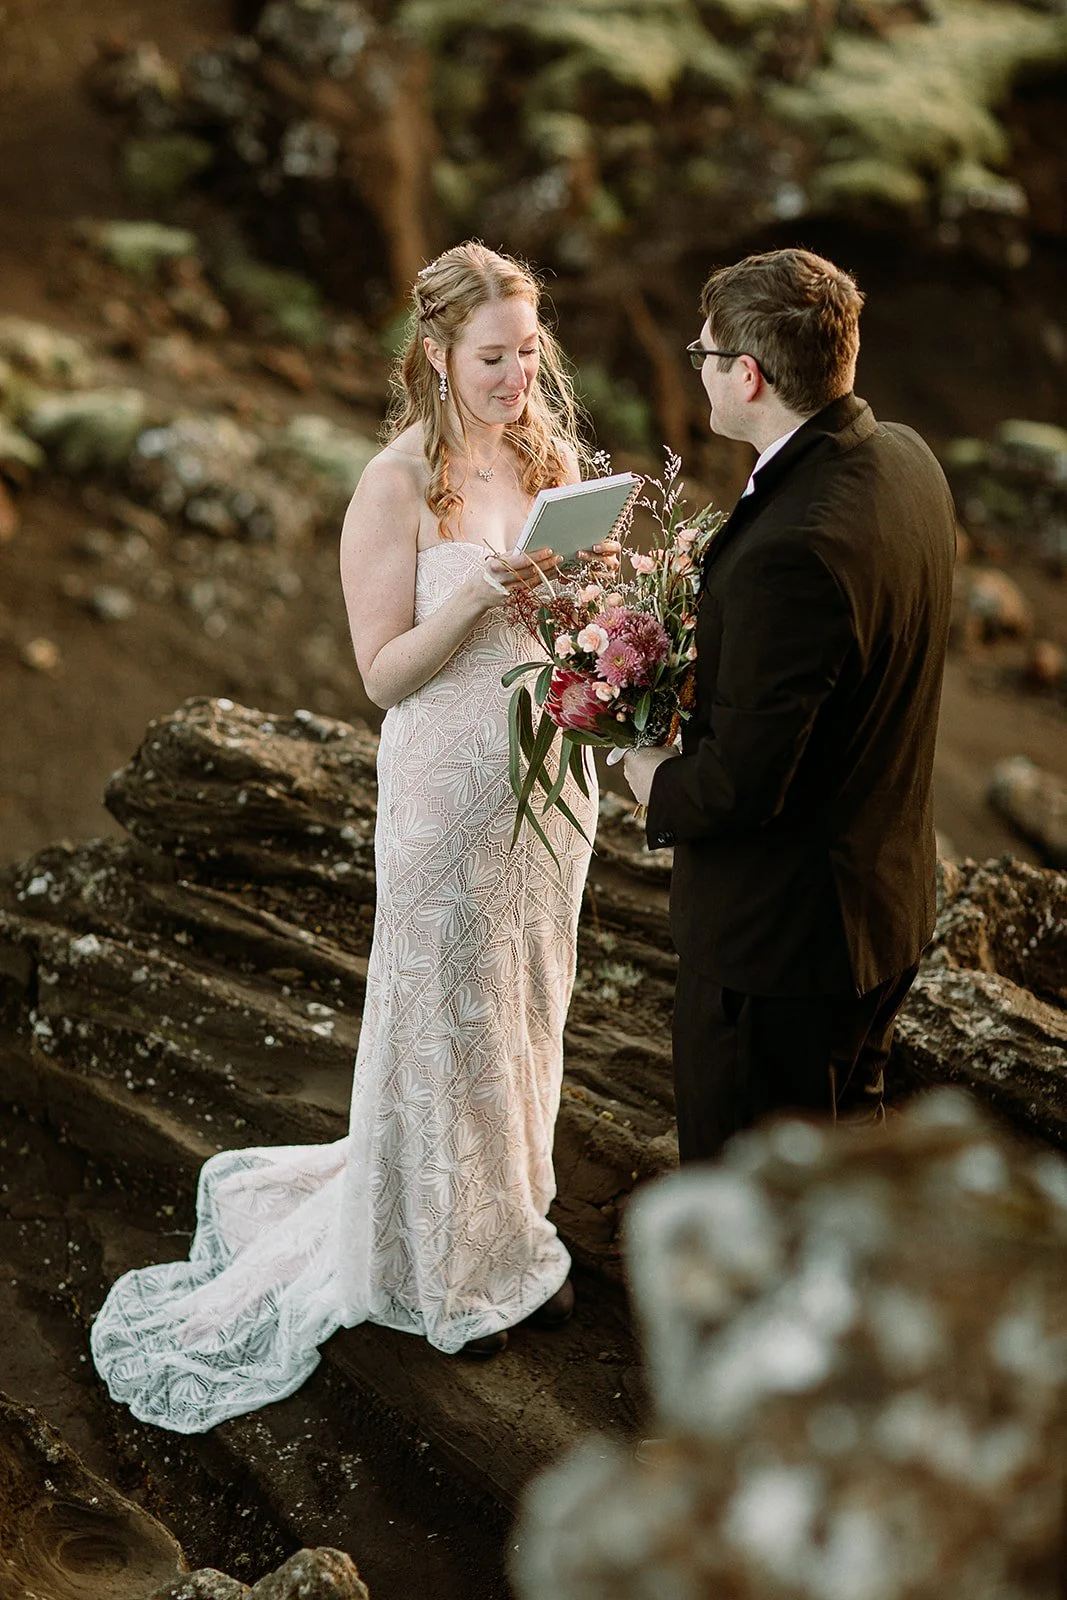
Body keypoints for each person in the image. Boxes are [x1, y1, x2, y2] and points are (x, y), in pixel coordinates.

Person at [90, 242, 608, 1433]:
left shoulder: (552, 457)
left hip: (549, 793)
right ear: (435, 354)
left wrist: (593, 606)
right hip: (441, 788)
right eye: (491, 356)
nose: (515, 374)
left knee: (526, 1007)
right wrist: (477, 597)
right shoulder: (393, 483)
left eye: (528, 350)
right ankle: (444, 1268)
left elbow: (576, 630)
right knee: (443, 1011)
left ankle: (506, 1218)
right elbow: (381, 675)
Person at [623, 247, 956, 1163]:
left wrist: (647, 774)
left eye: (703, 353)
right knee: (841, 1188)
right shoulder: (906, 462)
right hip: (883, 915)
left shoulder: (791, 552)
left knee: (749, 1208)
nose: (698, 367)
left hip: (782, 956)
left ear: (749, 374)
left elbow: (740, 786)